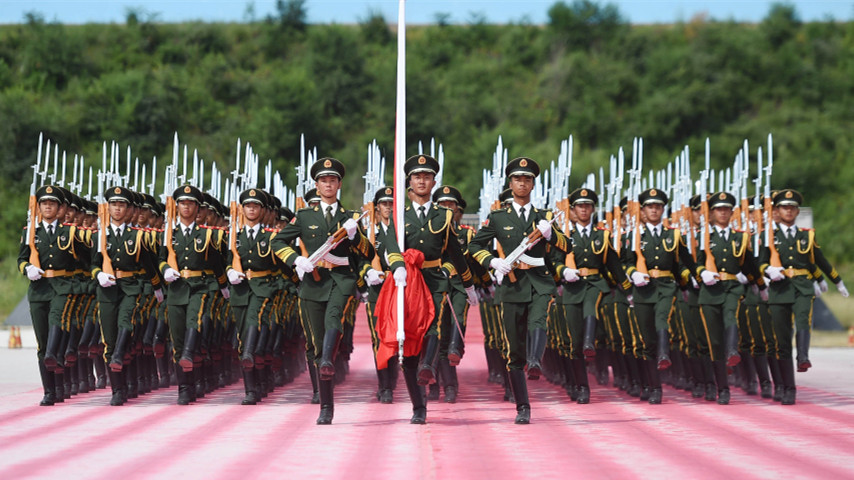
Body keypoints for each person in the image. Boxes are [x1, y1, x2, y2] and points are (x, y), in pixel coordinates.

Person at [271, 158, 376, 425]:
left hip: (340, 279)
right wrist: (296, 259)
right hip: (312, 282)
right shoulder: (305, 216)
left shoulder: (350, 218)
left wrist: (356, 236)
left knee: (334, 320)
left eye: (332, 180)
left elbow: (368, 253)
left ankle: (329, 358)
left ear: (339, 184)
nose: (328, 184)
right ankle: (326, 405)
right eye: (323, 181)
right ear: (316, 186)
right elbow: (278, 241)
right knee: (315, 345)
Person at [469, 157, 569, 423]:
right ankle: (522, 406)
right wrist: (492, 261)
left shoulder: (545, 217)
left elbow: (567, 246)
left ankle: (535, 360)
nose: (522, 183)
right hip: (512, 286)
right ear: (510, 183)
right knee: (513, 349)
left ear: (533, 184)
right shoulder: (499, 217)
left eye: (527, 179)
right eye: (517, 179)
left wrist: (551, 235)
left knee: (539, 319)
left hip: (539, 280)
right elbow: (475, 246)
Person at [397, 154, 477, 424]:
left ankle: (429, 365)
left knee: (433, 326)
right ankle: (418, 407)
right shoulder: (399, 213)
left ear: (433, 181)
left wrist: (468, 283)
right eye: (417, 176)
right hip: (406, 281)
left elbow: (455, 252)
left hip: (433, 279)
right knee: (408, 344)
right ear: (409, 181)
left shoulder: (443, 215)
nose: (422, 180)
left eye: (427, 176)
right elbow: (387, 247)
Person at [759, 189, 847, 405]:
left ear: (797, 211)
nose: (788, 210)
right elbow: (760, 261)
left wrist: (836, 281)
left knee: (803, 320)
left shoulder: (806, 235)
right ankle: (788, 387)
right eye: (784, 207)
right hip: (779, 289)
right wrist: (768, 270)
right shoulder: (768, 236)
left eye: (792, 207)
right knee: (781, 342)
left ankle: (803, 357)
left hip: (802, 288)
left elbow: (819, 260)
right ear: (777, 211)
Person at [551, 187, 630, 404]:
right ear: (573, 210)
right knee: (572, 342)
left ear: (593, 209)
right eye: (580, 206)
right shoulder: (565, 236)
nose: (584, 209)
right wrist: (563, 271)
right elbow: (554, 262)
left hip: (595, 284)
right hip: (571, 288)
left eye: (588, 206)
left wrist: (627, 290)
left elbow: (614, 265)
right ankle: (580, 385)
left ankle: (589, 342)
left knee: (591, 305)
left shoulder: (602, 235)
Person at [622, 188, 695, 404]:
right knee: (646, 340)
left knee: (662, 318)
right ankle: (652, 385)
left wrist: (692, 276)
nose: (654, 210)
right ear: (642, 210)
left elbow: (683, 262)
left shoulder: (673, 235)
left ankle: (664, 355)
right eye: (650, 206)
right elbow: (625, 262)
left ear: (663, 209)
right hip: (643, 289)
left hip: (665, 286)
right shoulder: (633, 237)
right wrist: (633, 273)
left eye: (658, 206)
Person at [159, 184, 230, 405]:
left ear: (197, 208)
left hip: (200, 287)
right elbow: (160, 259)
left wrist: (223, 285)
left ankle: (189, 355)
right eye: (182, 203)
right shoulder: (168, 233)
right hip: (176, 288)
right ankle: (185, 386)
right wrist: (165, 270)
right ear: (177, 206)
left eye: (190, 203)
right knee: (176, 339)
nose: (186, 206)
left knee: (195, 320)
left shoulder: (208, 234)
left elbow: (217, 262)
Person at [694, 192, 766, 405]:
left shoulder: (740, 237)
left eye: (726, 209)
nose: (723, 213)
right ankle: (722, 388)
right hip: (709, 292)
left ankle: (733, 350)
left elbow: (748, 264)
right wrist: (701, 273)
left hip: (732, 288)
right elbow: (693, 263)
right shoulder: (702, 236)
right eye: (719, 209)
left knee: (731, 316)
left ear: (732, 213)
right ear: (713, 213)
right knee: (714, 342)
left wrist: (759, 284)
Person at [18, 185, 86, 406]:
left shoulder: (70, 232)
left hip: (62, 288)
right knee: (43, 343)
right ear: (38, 207)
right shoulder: (30, 232)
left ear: (58, 208)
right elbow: (21, 259)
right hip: (38, 290)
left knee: (56, 334)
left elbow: (84, 260)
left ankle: (61, 385)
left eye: (52, 203)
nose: (48, 206)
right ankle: (50, 390)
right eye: (44, 203)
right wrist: (27, 268)